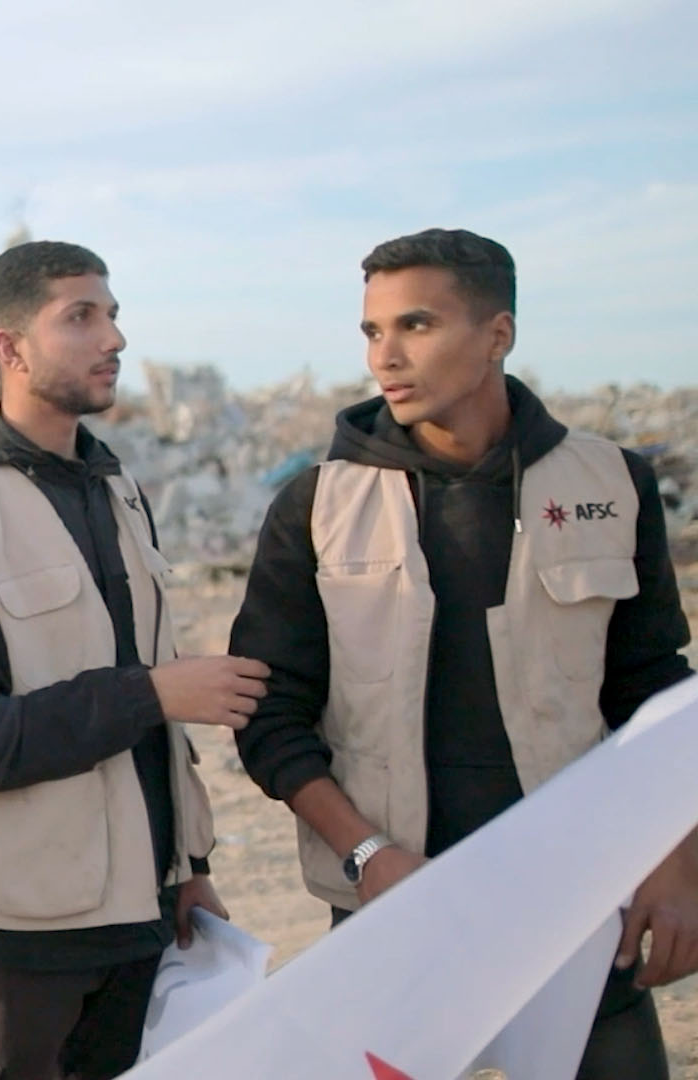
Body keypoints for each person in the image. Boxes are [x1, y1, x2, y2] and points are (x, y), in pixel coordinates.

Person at [230, 227, 698, 1078]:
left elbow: (654, 693)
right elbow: (271, 717)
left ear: (497, 335)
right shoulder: (318, 503)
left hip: (581, 899)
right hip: (396, 906)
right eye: (372, 332)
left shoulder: (610, 484)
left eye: (415, 326)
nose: (386, 356)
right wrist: (368, 856)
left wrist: (674, 863)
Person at [0, 240, 263, 1080]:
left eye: (114, 315)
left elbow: (156, 721)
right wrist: (153, 693)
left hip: (141, 912)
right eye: (81, 317)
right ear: (10, 349)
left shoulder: (119, 493)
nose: (114, 340)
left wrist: (187, 868)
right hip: (27, 927)